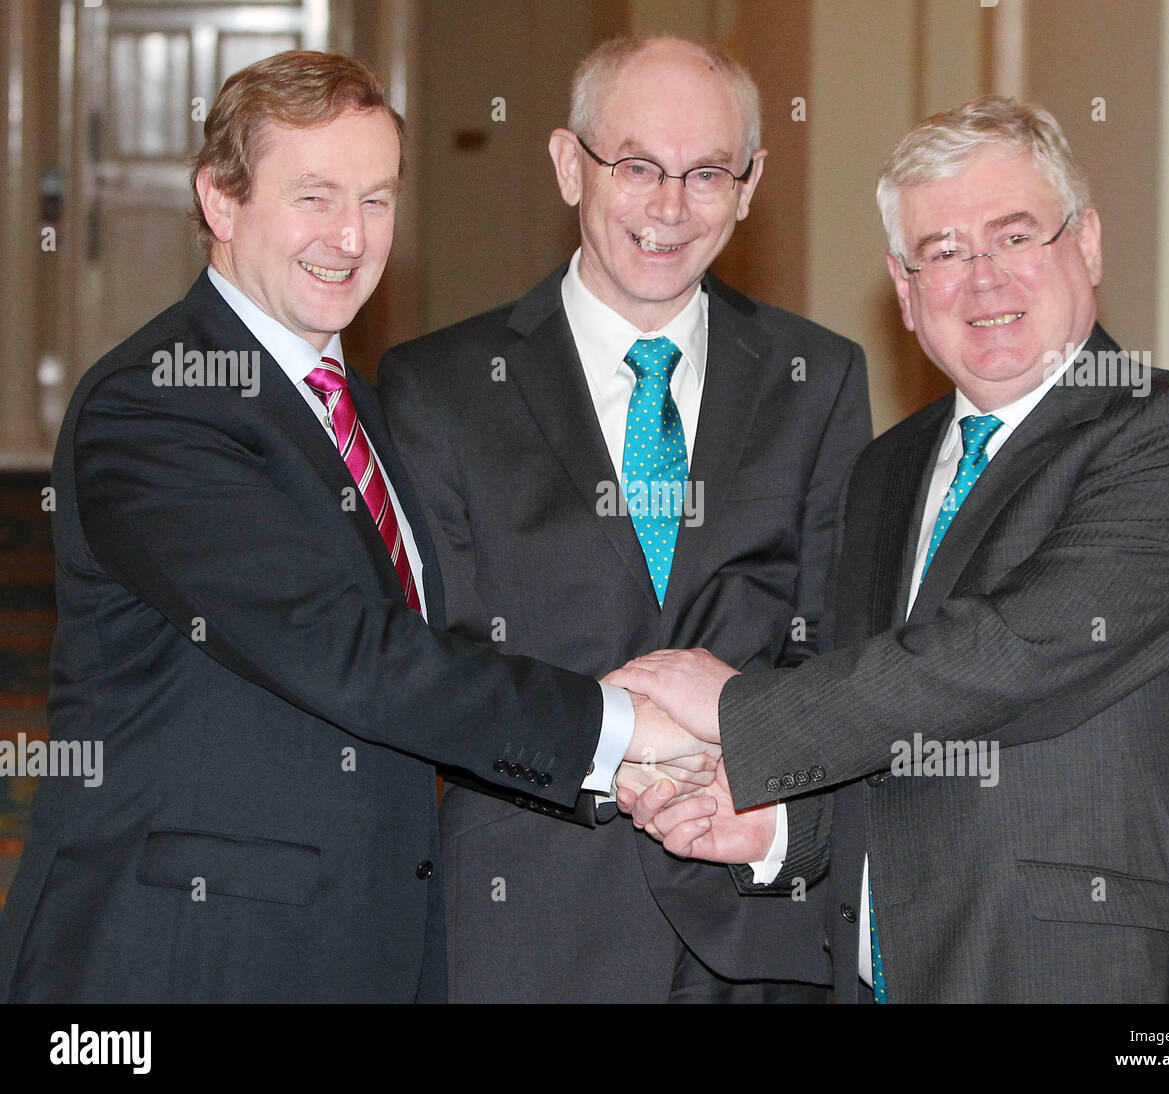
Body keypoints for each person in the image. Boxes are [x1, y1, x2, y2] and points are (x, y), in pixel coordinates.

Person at [0, 50, 704, 1003]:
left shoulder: (358, 407)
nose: (350, 236)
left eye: (376, 200)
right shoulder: (158, 403)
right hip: (184, 954)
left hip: (357, 936)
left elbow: (429, 654)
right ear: (220, 200)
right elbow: (350, 654)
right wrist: (619, 729)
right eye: (315, 197)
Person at [613, 96, 1169, 1004]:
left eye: (1016, 236)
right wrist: (779, 831)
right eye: (945, 253)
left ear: (1090, 244)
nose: (983, 280)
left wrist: (743, 709)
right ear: (905, 290)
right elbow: (899, 737)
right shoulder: (885, 470)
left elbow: (1008, 655)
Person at [380, 36, 870, 1002]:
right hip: (528, 922)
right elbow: (440, 662)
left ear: (750, 183)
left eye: (707, 173)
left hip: (757, 920)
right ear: (569, 164)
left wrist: (740, 766)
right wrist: (619, 739)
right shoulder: (438, 389)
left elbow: (843, 649)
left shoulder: (818, 378)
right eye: (637, 165)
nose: (670, 206)